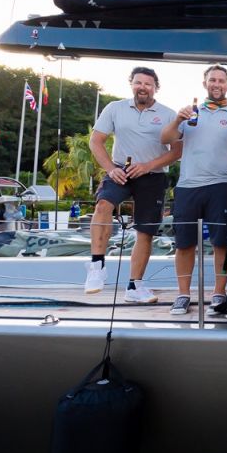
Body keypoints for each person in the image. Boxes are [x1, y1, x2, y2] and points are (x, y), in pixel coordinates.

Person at [85, 66, 181, 302]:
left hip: (153, 176)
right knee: (103, 205)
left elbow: (178, 150)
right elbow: (96, 142)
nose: (143, 87)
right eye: (138, 83)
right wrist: (110, 169)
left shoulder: (169, 114)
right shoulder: (115, 108)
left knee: (145, 231)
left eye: (148, 84)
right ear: (132, 85)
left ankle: (134, 287)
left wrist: (148, 166)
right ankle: (97, 267)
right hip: (120, 170)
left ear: (155, 88)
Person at [160, 64, 227, 316]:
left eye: (221, 80)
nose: (216, 84)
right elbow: (165, 139)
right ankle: (183, 295)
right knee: (185, 244)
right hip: (188, 185)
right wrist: (178, 118)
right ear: (205, 84)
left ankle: (218, 294)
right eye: (212, 80)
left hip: (223, 185)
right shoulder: (188, 114)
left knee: (222, 243)